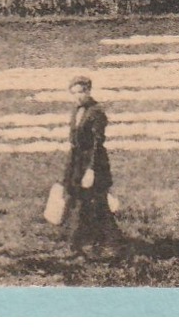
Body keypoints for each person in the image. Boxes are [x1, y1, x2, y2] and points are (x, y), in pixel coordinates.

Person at [61, 76, 124, 256]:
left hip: (93, 165)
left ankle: (108, 244)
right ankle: (86, 244)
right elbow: (74, 142)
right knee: (82, 204)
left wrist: (91, 170)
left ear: (88, 91)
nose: (78, 96)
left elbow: (98, 144)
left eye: (81, 92)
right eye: (74, 93)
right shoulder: (76, 112)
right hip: (78, 164)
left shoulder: (96, 112)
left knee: (98, 204)